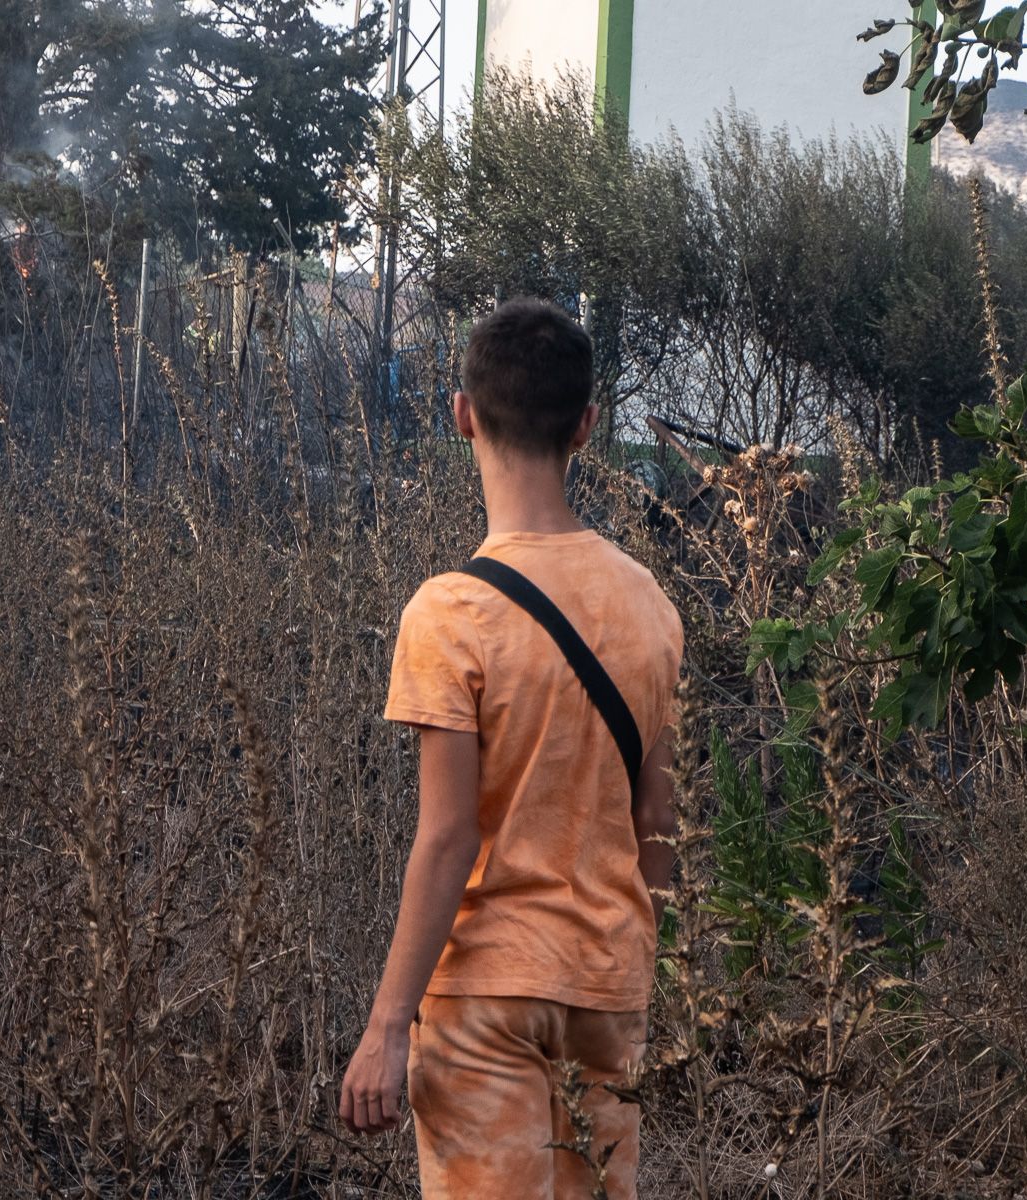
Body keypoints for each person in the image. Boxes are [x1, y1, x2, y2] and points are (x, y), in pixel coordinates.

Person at [338, 297, 682, 1199]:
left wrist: (387, 1025)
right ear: (587, 426)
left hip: (488, 992)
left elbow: (449, 838)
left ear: (462, 414)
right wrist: (643, 964)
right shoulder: (649, 604)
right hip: (609, 987)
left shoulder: (450, 614)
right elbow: (659, 824)